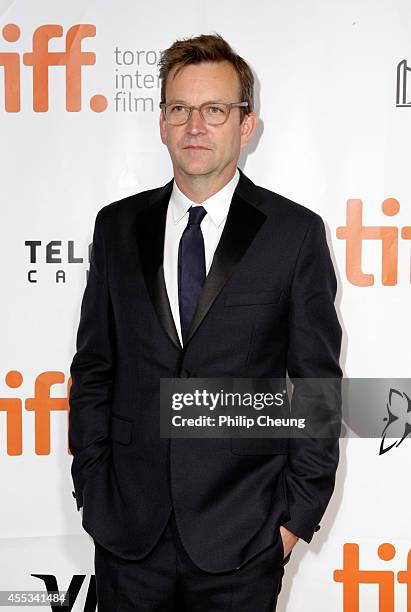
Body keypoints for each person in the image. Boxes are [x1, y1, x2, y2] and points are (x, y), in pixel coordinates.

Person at [68, 32, 342, 611]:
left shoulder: (293, 235)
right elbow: (94, 368)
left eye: (214, 109)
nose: (196, 125)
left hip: (242, 540)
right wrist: (93, 490)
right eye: (180, 109)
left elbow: (317, 388)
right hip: (128, 539)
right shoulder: (115, 228)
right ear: (162, 122)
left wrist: (293, 519)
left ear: (246, 126)